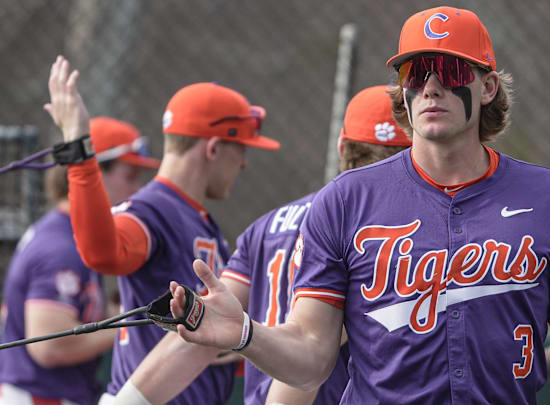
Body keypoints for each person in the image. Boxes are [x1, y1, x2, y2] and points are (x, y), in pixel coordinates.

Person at [168, 6, 550, 404]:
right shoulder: (344, 201)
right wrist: (247, 334)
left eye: (451, 70)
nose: (432, 87)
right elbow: (311, 359)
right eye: (415, 74)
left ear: (488, 87)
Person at [113, 84, 412, 405]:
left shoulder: (268, 225)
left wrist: (122, 402)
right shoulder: (390, 233)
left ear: (342, 147)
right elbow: (311, 353)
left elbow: (204, 325)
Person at [42, 55, 281, 404]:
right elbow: (102, 253)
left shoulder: (192, 215)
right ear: (213, 148)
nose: (243, 163)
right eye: (241, 148)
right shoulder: (154, 210)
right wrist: (79, 150)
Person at [0, 117, 160, 405]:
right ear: (94, 173)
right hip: (42, 397)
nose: (137, 189)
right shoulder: (61, 247)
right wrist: (130, 321)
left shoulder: (65, 231)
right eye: (130, 176)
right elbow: (49, 346)